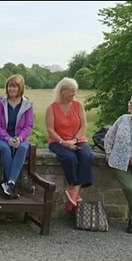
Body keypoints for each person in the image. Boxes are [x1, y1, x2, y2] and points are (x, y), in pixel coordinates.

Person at [45, 77, 94, 211]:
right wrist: (63, 142)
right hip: (58, 142)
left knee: (87, 155)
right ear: (62, 91)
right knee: (69, 158)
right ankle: (74, 182)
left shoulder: (78, 106)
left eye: (75, 91)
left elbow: (84, 125)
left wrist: (74, 140)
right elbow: (50, 129)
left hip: (78, 139)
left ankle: (75, 189)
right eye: (72, 91)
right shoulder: (52, 108)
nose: (74, 94)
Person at [104, 93, 132, 233]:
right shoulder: (123, 119)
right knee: (130, 189)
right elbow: (109, 136)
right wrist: (108, 152)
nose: (130, 104)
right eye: (130, 102)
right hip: (119, 160)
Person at [0, 74, 34, 199]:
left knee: (24, 148)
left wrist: (19, 138)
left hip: (20, 138)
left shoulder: (27, 104)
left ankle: (9, 183)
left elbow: (29, 125)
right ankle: (11, 185)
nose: (12, 89)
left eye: (15, 87)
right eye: (10, 86)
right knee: (5, 148)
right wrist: (8, 139)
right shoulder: (1, 102)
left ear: (20, 88)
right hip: (1, 137)